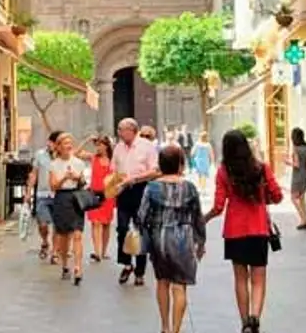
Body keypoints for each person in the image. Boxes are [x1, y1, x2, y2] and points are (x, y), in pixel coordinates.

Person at [204, 129, 283, 333]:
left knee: (240, 278)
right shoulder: (261, 168)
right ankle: (255, 317)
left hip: (234, 231)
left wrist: (204, 218)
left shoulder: (223, 172)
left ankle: (244, 322)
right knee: (259, 278)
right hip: (258, 230)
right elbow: (277, 196)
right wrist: (263, 197)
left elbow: (218, 206)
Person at [138, 145, 206, 333]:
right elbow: (197, 216)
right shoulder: (190, 187)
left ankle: (165, 327)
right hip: (184, 237)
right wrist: (201, 241)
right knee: (180, 285)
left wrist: (145, 237)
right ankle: (176, 329)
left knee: (162, 281)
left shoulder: (151, 187)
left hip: (159, 238)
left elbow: (142, 216)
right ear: (180, 164)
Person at [113, 117, 160, 286]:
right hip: (123, 191)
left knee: (141, 230)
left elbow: (155, 171)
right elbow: (114, 169)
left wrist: (133, 178)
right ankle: (126, 263)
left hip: (141, 190)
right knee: (122, 228)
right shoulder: (118, 147)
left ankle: (140, 270)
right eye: (119, 129)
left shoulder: (146, 146)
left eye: (121, 129)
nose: (119, 133)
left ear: (132, 130)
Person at [49, 133, 88, 285]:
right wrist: (65, 177)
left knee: (78, 234)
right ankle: (65, 264)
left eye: (70, 143)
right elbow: (53, 186)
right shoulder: (54, 164)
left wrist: (78, 177)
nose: (68, 146)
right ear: (58, 147)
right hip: (61, 198)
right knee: (64, 235)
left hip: (76, 197)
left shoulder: (78, 162)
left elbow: (83, 182)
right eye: (65, 143)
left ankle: (78, 267)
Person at [26, 130, 62, 263]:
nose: (55, 146)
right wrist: (28, 192)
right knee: (43, 224)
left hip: (58, 195)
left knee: (57, 226)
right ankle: (45, 241)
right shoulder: (40, 155)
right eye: (54, 143)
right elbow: (33, 174)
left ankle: (55, 252)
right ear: (50, 142)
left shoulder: (62, 156)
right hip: (42, 194)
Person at [88, 136, 117, 262]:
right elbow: (76, 153)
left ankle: (103, 251)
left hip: (108, 194)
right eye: (97, 145)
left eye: (101, 145)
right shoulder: (93, 158)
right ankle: (97, 251)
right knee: (95, 222)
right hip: (94, 193)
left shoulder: (113, 160)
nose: (98, 148)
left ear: (106, 146)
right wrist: (87, 140)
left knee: (106, 223)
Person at [284, 127, 306, 230]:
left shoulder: (296, 148)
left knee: (293, 198)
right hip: (305, 175)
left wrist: (288, 163)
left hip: (297, 176)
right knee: (302, 198)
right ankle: (305, 218)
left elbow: (296, 164)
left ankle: (303, 219)